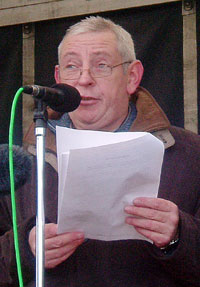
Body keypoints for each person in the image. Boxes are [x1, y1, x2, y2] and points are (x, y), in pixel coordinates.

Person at [0, 16, 200, 287]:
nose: (84, 79)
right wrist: (25, 249)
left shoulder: (190, 154)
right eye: (72, 66)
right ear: (59, 79)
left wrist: (179, 236)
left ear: (132, 77)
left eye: (101, 65)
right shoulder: (18, 163)